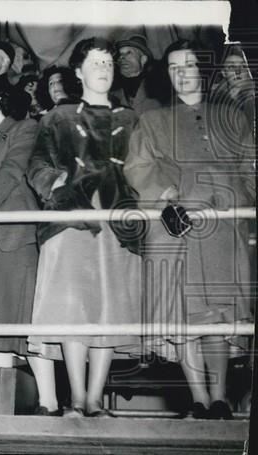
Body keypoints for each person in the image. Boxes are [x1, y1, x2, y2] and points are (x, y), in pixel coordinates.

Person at [125, 40, 256, 420]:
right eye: (173, 67)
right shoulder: (152, 120)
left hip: (223, 229)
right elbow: (138, 167)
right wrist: (165, 197)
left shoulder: (232, 118)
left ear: (203, 69)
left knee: (218, 314)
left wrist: (239, 200)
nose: (181, 74)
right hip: (177, 228)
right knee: (183, 315)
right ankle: (198, 398)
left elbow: (250, 167)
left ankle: (219, 398)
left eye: (189, 65)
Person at [26, 38, 142, 418]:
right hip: (72, 219)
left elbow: (143, 167)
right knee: (72, 306)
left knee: (109, 305)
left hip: (116, 221)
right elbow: (37, 165)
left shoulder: (130, 118)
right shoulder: (58, 118)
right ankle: (76, 398)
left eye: (108, 62)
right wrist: (55, 183)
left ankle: (95, 398)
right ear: (78, 72)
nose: (103, 69)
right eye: (95, 62)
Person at [0, 74, 59, 416]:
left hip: (17, 236)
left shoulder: (24, 129)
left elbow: (13, 169)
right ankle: (3, 405)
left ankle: (49, 402)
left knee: (27, 320)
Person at [111, 34, 162, 114]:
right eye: (120, 54)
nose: (122, 57)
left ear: (143, 59)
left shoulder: (159, 89)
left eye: (129, 53)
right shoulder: (112, 93)